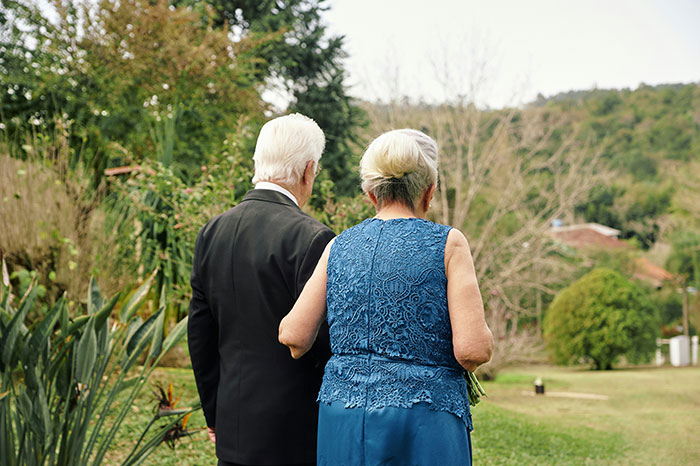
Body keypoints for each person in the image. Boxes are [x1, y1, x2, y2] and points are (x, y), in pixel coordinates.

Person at [279, 129, 494, 465]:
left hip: (345, 417)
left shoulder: (338, 245)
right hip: (423, 420)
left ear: (370, 194)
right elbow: (472, 350)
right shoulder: (449, 243)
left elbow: (293, 336)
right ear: (429, 192)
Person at [188, 113, 335, 466]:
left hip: (233, 428)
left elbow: (200, 336)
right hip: (295, 434)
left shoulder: (211, 232)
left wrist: (215, 415)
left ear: (259, 163)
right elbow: (324, 344)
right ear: (308, 170)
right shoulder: (314, 239)